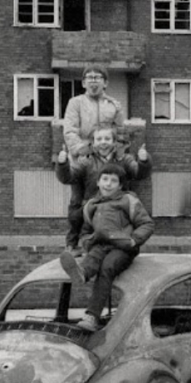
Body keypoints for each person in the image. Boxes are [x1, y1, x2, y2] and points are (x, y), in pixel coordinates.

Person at [60, 163, 154, 332]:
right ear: (97, 182)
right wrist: (88, 242)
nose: (108, 184)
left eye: (113, 181)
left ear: (120, 185)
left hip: (123, 248)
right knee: (93, 258)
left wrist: (134, 240)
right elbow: (86, 231)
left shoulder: (128, 200)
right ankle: (82, 273)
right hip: (101, 245)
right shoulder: (91, 205)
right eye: (104, 179)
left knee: (107, 267)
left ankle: (92, 317)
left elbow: (146, 224)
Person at [61, 66, 127, 253]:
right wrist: (83, 150)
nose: (93, 81)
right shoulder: (76, 103)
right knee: (78, 202)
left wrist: (117, 153)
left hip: (107, 160)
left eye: (98, 77)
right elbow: (70, 131)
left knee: (110, 200)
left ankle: (109, 240)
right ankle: (72, 243)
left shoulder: (114, 105)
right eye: (89, 77)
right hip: (84, 160)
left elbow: (121, 133)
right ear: (83, 82)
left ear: (105, 82)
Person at [56, 128, 151, 254]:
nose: (103, 142)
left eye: (107, 139)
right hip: (93, 205)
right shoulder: (86, 161)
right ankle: (73, 247)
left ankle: (121, 247)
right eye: (99, 139)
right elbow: (68, 177)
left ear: (114, 142)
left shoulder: (124, 159)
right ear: (93, 143)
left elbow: (138, 173)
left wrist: (143, 161)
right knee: (78, 218)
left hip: (116, 205)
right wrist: (63, 164)